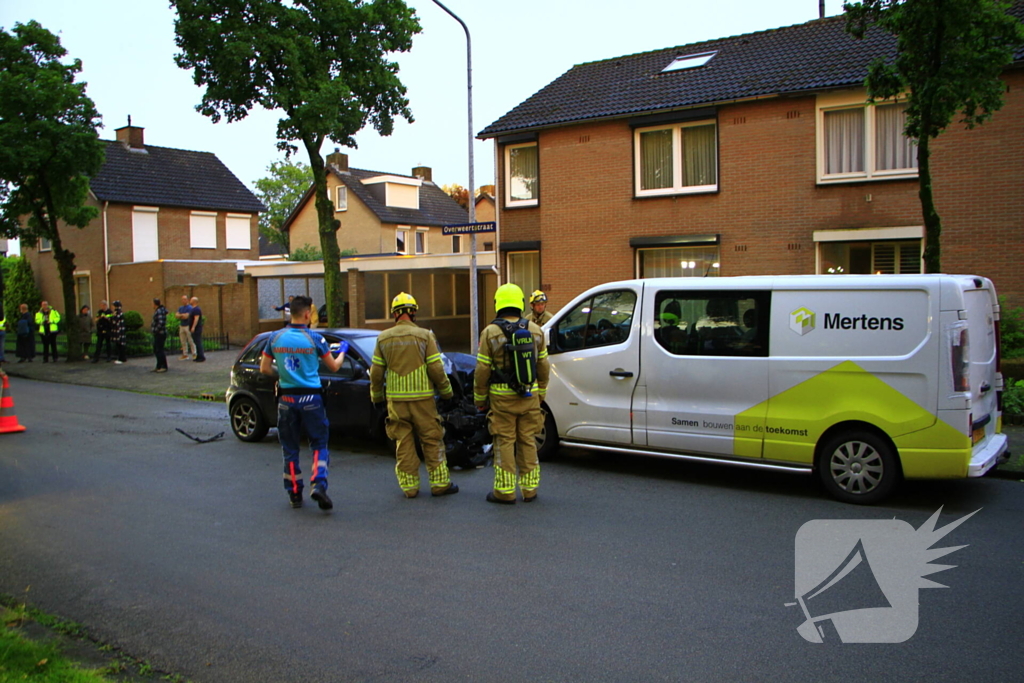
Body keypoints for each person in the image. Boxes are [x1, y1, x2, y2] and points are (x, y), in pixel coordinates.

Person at [369, 292, 459, 499]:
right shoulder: (425, 336)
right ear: (413, 313)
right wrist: (447, 393)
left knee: (403, 442)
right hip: (423, 401)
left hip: (396, 402)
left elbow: (376, 373)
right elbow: (436, 368)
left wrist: (376, 397)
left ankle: (409, 488)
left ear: (395, 314)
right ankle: (440, 485)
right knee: (432, 440)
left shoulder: (383, 338)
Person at [259, 295, 345, 510]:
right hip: (312, 399)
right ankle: (318, 483)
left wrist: (285, 374)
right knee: (318, 443)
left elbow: (264, 368)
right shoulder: (315, 339)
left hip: (286, 399)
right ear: (307, 314)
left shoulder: (275, 338)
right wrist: (342, 351)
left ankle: (294, 492)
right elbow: (334, 367)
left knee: (289, 448)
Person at [474, 283, 550, 504]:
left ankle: (505, 492)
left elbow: (482, 370)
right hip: (530, 395)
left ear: (498, 304)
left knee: (504, 441)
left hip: (501, 398)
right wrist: (541, 392)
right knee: (527, 439)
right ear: (521, 304)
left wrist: (479, 398)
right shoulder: (535, 331)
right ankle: (530, 489)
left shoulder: (490, 332)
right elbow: (543, 365)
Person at [176, 295, 197, 360]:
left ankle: (194, 353)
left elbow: (187, 316)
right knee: (183, 341)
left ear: (187, 300)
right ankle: (185, 354)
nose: (183, 300)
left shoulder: (190, 308)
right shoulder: (180, 308)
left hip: (188, 325)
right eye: (182, 299)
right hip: (182, 325)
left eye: (184, 299)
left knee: (190, 340)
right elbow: (176, 315)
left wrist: (181, 315)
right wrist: (182, 315)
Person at [151, 298, 168, 373]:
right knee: (156, 349)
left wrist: (155, 330)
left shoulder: (159, 311)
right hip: (160, 333)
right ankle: (159, 365)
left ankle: (163, 366)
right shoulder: (160, 311)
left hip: (160, 333)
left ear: (155, 304)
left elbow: (160, 323)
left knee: (159, 349)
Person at [189, 296, 206, 362]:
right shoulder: (193, 309)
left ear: (194, 301)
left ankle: (201, 357)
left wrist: (193, 327)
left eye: (191, 300)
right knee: (196, 342)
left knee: (198, 342)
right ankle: (199, 356)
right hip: (195, 328)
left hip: (197, 329)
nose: (190, 301)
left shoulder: (196, 309)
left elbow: (196, 318)